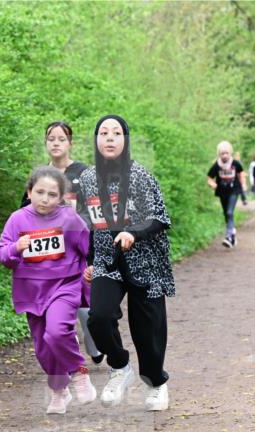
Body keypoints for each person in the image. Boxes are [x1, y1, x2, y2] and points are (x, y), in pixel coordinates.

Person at [78, 114, 174, 411]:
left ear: (126, 140)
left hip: (146, 261)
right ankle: (119, 366)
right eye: (103, 133)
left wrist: (132, 233)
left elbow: (159, 219)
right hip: (108, 260)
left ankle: (157, 383)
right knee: (99, 318)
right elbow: (90, 224)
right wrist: (91, 259)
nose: (109, 138)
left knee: (148, 332)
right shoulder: (88, 179)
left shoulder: (141, 176)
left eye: (116, 133)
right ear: (96, 140)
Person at [0, 166, 95, 414]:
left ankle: (79, 372)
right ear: (29, 192)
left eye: (52, 194)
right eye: (40, 192)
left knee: (57, 332)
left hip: (65, 285)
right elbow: (3, 256)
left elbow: (89, 249)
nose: (45, 199)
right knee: (43, 348)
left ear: (61, 197)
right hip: (32, 291)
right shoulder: (17, 219)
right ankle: (59, 389)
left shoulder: (69, 219)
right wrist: (16, 248)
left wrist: (92, 271)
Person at [20, 121, 104, 365]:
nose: (56, 143)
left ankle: (94, 343)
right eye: (51, 139)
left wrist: (76, 227)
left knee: (87, 309)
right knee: (56, 307)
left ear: (70, 143)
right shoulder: (39, 176)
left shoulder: (84, 173)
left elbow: (95, 210)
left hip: (81, 249)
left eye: (61, 139)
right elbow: (24, 210)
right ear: (46, 143)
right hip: (49, 254)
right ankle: (66, 352)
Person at [206, 140, 247, 248]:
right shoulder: (217, 165)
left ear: (230, 153)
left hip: (234, 190)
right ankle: (232, 234)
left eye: (226, 153)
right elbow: (209, 178)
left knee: (229, 212)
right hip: (222, 191)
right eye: (222, 153)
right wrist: (212, 184)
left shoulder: (235, 163)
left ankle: (228, 236)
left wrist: (244, 184)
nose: (224, 156)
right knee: (226, 214)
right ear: (219, 154)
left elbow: (241, 173)